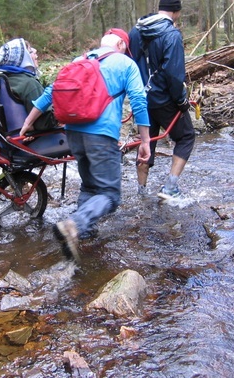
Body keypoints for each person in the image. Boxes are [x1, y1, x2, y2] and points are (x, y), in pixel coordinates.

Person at [19, 29, 151, 261]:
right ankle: (75, 224)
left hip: (73, 134)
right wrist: (146, 140)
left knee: (90, 187)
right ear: (121, 44)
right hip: (102, 135)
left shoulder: (79, 60)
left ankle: (84, 235)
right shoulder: (125, 63)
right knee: (110, 195)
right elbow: (139, 101)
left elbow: (51, 92)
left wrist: (28, 122)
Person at [128, 0, 196, 198]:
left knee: (145, 141)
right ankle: (170, 187)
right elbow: (174, 75)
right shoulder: (172, 35)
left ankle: (141, 191)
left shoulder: (135, 31)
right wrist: (181, 101)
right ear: (176, 12)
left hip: (140, 99)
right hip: (164, 101)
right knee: (186, 137)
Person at [0, 38, 59, 131]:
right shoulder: (29, 84)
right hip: (42, 138)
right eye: (30, 51)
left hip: (9, 134)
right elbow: (44, 123)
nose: (35, 51)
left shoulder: (5, 78)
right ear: (23, 59)